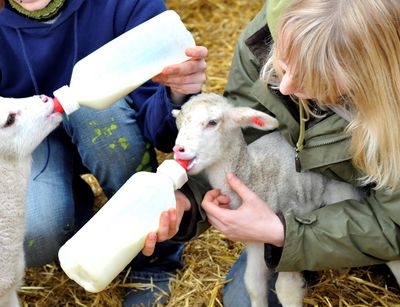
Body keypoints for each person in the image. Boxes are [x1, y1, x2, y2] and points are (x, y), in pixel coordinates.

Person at [143, 0, 400, 305]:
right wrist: (190, 199)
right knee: (243, 298)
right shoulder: (264, 36)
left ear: (371, 75)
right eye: (283, 65)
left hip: (370, 209)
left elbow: (394, 223)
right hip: (298, 204)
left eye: (314, 78)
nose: (287, 87)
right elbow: (238, 134)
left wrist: (283, 233)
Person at [0, 0, 207, 305]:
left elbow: (163, 134)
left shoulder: (125, 5)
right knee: (38, 233)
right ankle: (80, 214)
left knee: (97, 114)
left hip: (110, 131)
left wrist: (177, 93)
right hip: (27, 141)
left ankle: (153, 259)